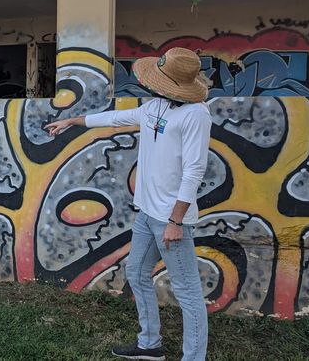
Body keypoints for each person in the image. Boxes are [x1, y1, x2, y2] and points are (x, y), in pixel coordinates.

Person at [44, 47, 211, 361]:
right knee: (136, 273)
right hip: (147, 214)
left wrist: (176, 221)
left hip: (171, 220)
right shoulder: (154, 107)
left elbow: (194, 170)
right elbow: (115, 117)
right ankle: (150, 345)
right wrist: (72, 121)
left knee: (188, 292)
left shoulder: (196, 114)